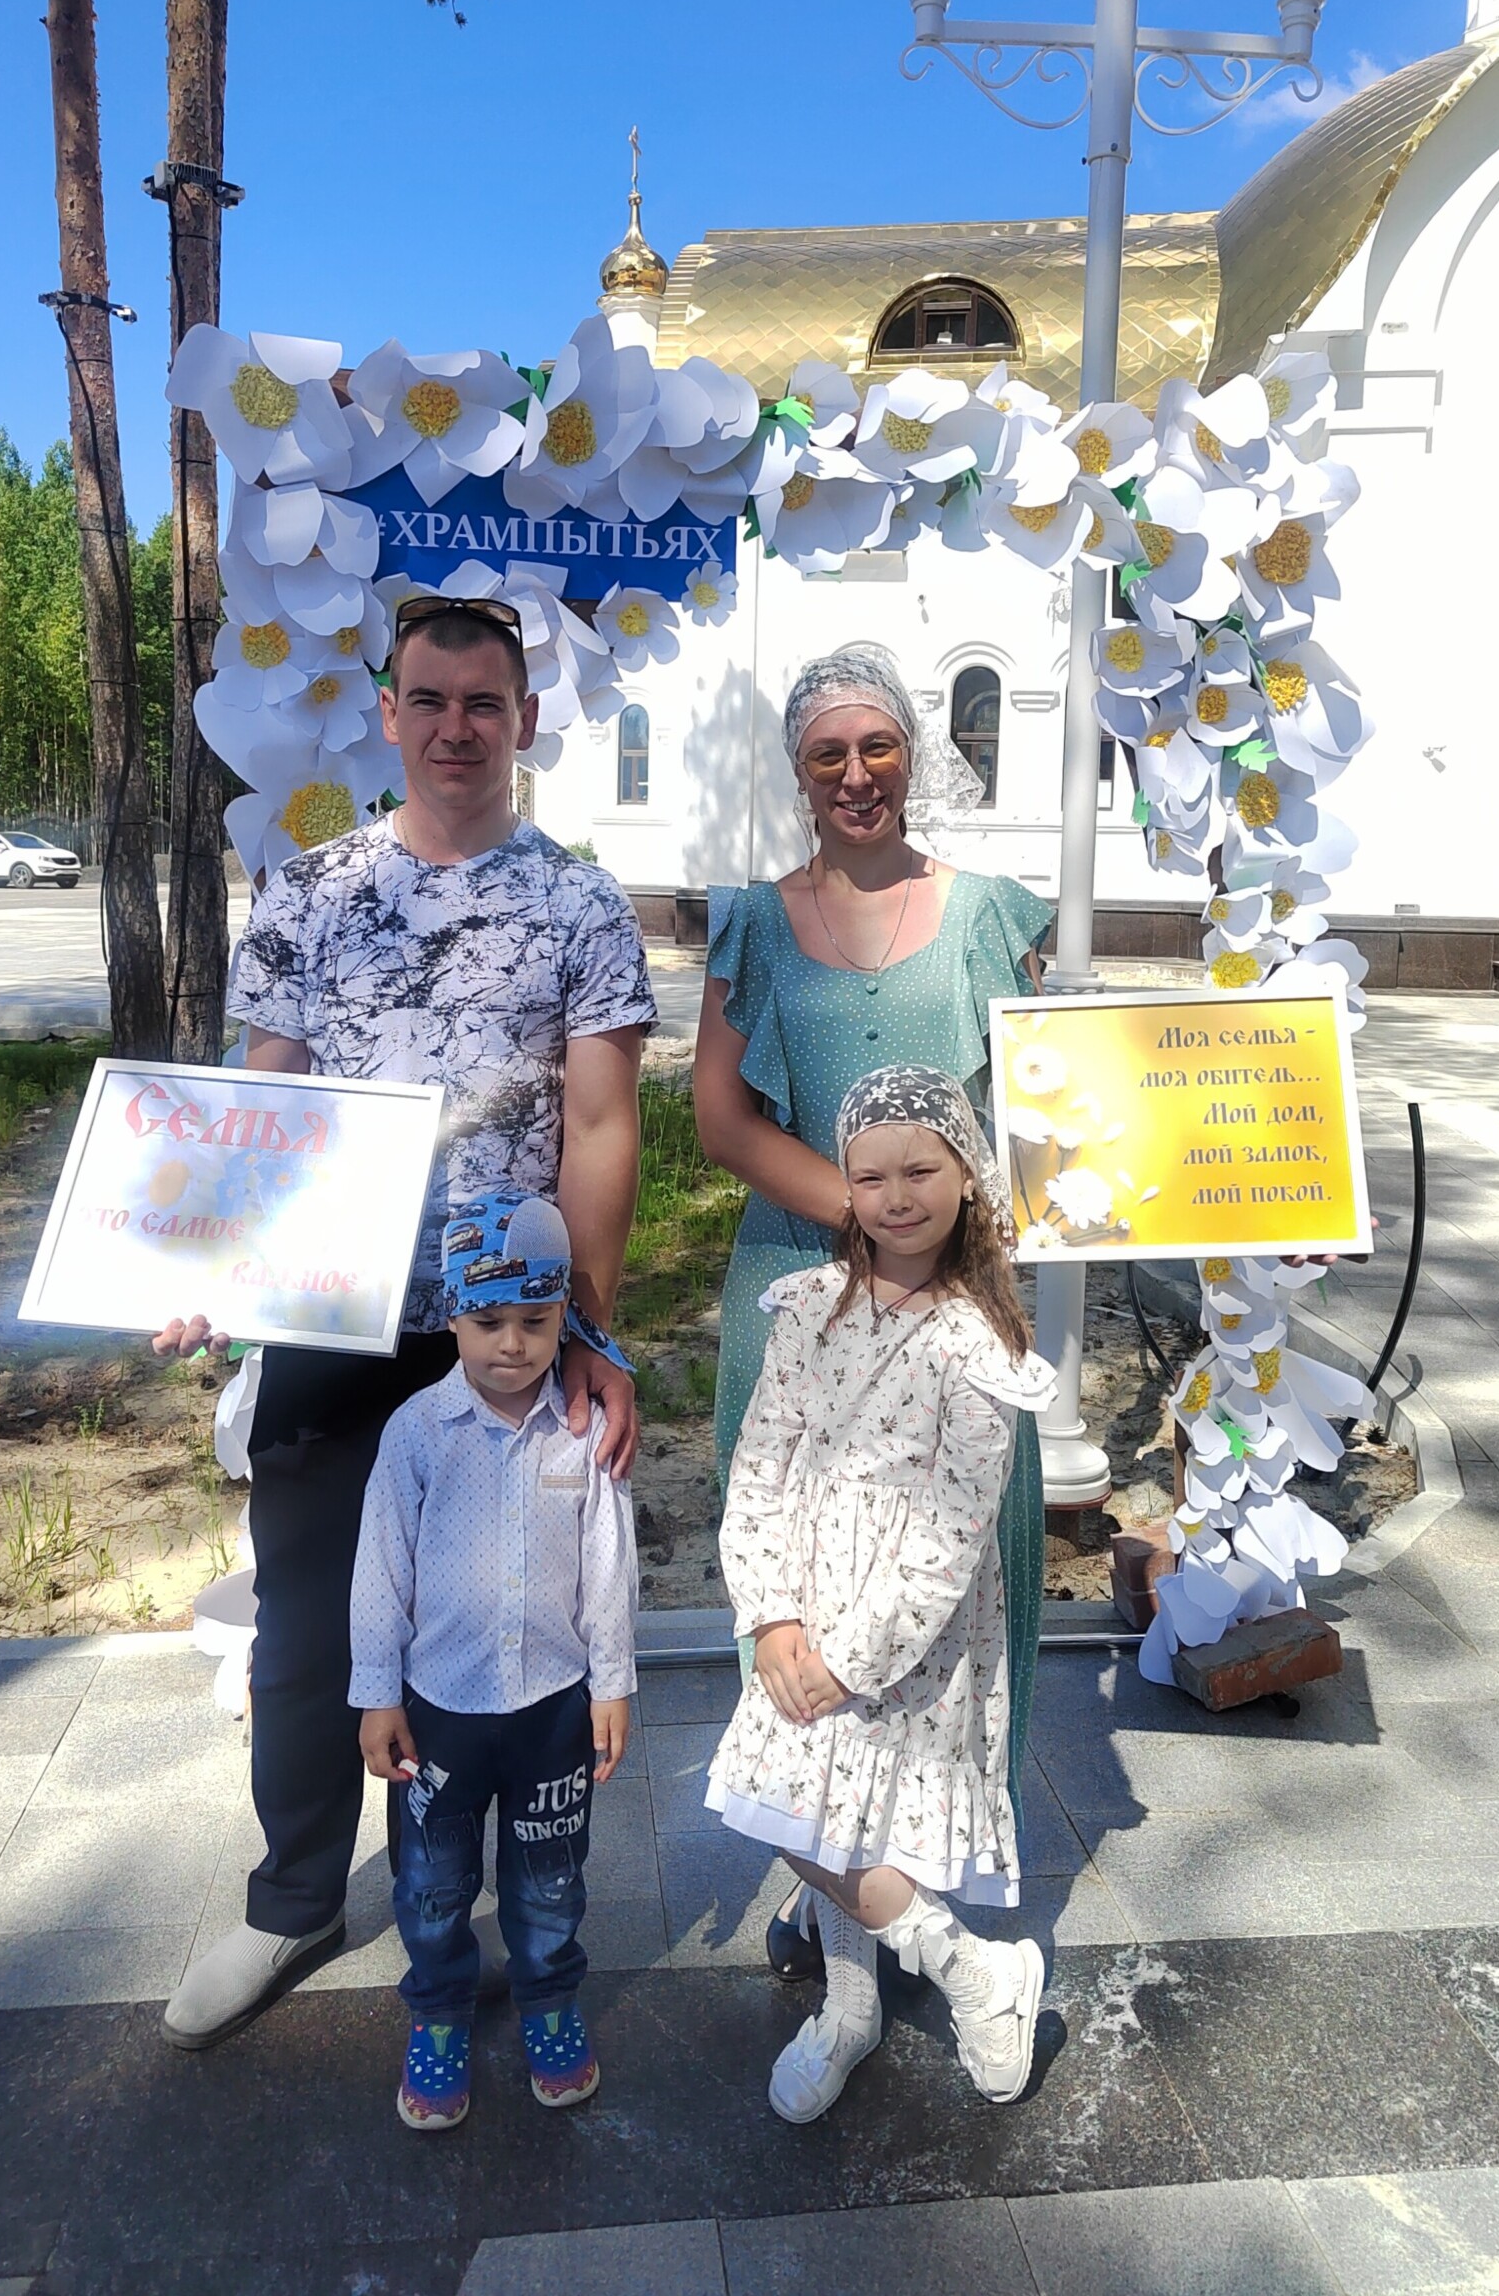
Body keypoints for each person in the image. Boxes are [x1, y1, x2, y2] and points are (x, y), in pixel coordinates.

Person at [158, 593, 654, 2052]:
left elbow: (605, 1124)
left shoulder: (580, 903)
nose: (454, 727)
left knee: (495, 1628)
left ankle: (479, 1902)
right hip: (329, 1313)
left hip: (499, 1336)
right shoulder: (308, 891)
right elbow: (265, 1101)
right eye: (428, 700)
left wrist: (594, 1333)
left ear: (524, 722)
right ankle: (295, 1895)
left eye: (482, 704)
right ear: (388, 714)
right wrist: (217, 1266)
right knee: (309, 1621)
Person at [692, 641, 1050, 1975]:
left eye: (877, 746)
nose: (856, 774)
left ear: (913, 754)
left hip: (952, 1296)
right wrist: (873, 1212)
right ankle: (839, 1877)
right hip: (801, 1291)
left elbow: (1049, 1111)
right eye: (827, 753)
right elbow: (720, 1114)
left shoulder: (989, 916)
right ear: (799, 772)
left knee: (935, 1579)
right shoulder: (754, 921)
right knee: (793, 1566)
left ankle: (917, 1870)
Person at [707, 1065, 1053, 2123]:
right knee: (790, 1812)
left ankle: (901, 1995)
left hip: (908, 1636)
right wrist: (772, 1614)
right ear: (845, 1185)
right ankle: (961, 1977)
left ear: (965, 1176)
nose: (896, 1196)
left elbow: (951, 1536)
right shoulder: (811, 1309)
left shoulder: (979, 1344)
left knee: (864, 1822)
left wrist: (851, 1656)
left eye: (921, 1170)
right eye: (871, 1175)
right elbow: (759, 1464)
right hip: (802, 1603)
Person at [353, 1187, 637, 2131]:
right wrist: (376, 1694)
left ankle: (549, 1999)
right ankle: (436, 2015)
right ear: (451, 1314)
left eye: (535, 1321)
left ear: (565, 1317)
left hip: (554, 1707)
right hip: (438, 1710)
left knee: (550, 1876)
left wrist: (614, 1683)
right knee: (432, 1882)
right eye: (486, 1321)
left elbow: (609, 1564)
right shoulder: (415, 1436)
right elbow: (379, 1570)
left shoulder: (584, 1434)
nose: (511, 1343)